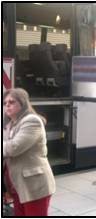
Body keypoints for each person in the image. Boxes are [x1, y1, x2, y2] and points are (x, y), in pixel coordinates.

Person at [3, 88, 56, 216]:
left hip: (33, 185)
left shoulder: (32, 121)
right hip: (17, 185)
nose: (7, 105)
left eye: (12, 102)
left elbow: (13, 148)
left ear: (22, 104)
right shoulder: (10, 124)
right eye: (4, 103)